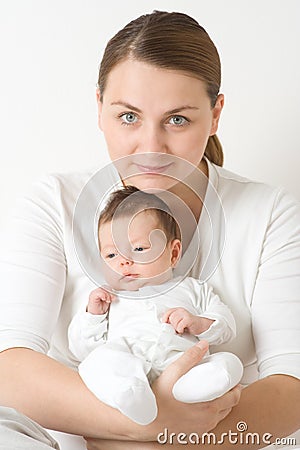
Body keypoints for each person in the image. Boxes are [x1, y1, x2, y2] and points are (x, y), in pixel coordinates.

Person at [0, 9, 299, 450]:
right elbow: (10, 367)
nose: (152, 148)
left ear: (215, 115)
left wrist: (173, 439)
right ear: (99, 108)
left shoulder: (269, 212)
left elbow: (292, 386)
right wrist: (144, 426)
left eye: (177, 119)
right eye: (128, 117)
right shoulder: (54, 202)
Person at [68, 186, 243, 425]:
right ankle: (130, 394)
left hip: (182, 367)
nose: (124, 262)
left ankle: (194, 390)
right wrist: (92, 316)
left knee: (228, 363)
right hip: (131, 366)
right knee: (94, 364)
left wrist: (198, 323)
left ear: (173, 253)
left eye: (139, 249)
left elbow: (226, 324)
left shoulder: (192, 288)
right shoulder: (107, 299)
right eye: (111, 256)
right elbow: (82, 349)